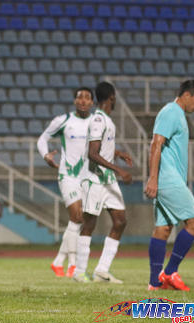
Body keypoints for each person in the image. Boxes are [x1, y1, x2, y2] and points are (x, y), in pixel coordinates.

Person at [144, 80, 194, 291]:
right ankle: (170, 272)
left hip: (167, 178)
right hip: (168, 179)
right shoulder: (171, 111)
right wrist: (153, 178)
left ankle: (154, 283)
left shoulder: (178, 114)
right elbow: (156, 143)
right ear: (186, 95)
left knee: (163, 228)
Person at [73, 82, 133, 284]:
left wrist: (118, 154)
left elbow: (101, 146)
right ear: (112, 97)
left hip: (107, 180)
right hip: (95, 180)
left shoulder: (105, 120)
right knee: (89, 223)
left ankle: (101, 270)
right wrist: (119, 169)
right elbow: (92, 153)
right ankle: (79, 271)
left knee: (120, 221)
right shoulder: (98, 119)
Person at [37, 87, 94, 277]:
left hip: (87, 177)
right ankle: (73, 264)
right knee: (77, 216)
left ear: (92, 103)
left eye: (87, 98)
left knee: (77, 221)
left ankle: (58, 262)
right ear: (75, 101)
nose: (83, 101)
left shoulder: (97, 123)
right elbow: (42, 138)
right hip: (67, 175)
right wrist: (45, 155)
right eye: (80, 97)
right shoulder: (63, 121)